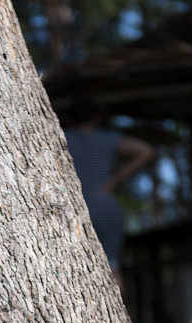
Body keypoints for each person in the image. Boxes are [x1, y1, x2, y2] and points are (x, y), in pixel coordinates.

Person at [64, 97, 154, 292]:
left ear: (70, 118)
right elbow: (145, 151)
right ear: (96, 118)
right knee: (112, 267)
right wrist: (114, 180)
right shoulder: (107, 138)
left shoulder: (62, 139)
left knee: (72, 268)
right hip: (105, 206)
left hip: (74, 209)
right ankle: (119, 320)